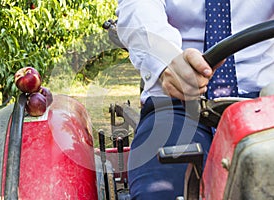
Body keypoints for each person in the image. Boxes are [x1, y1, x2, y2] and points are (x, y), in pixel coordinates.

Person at [115, 0, 274, 199]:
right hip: (175, 102)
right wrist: (167, 61)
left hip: (262, 102)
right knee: (160, 192)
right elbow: (138, 8)